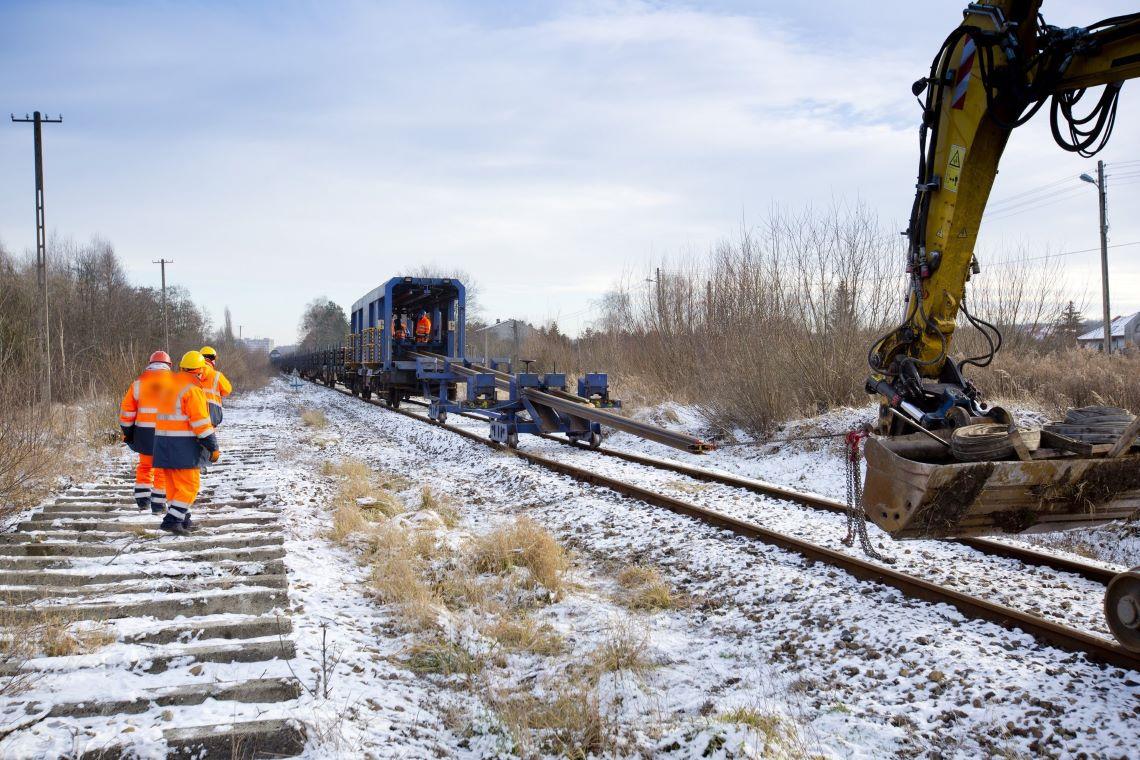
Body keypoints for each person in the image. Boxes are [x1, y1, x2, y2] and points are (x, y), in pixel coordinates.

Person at [154, 351, 220, 536]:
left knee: (174, 488)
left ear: (182, 368)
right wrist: (213, 447)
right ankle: (172, 521)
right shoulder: (192, 390)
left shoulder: (167, 386)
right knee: (190, 486)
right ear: (199, 372)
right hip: (182, 446)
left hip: (162, 444)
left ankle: (183, 520)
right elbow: (201, 424)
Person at [119, 351, 172, 514]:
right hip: (167, 433)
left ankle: (142, 501)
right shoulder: (175, 383)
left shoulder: (138, 384)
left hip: (144, 434)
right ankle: (158, 505)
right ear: (169, 365)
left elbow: (127, 410)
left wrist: (127, 431)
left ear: (150, 364)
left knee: (145, 466)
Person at [198, 345, 233, 426]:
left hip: (195, 413)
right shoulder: (217, 375)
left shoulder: (193, 373)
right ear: (212, 359)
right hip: (212, 415)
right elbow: (227, 390)